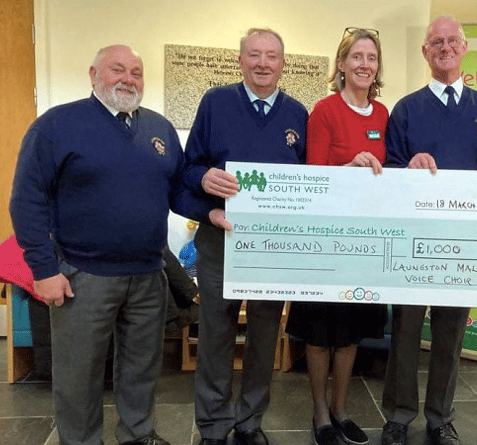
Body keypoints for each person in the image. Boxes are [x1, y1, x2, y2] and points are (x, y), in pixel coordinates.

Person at [10, 44, 183, 445]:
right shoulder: (56, 125)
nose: (128, 79)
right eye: (117, 69)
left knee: (142, 368)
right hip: (82, 275)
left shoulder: (159, 129)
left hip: (147, 274)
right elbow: (27, 200)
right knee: (78, 373)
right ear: (93, 75)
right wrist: (43, 270)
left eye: (136, 72)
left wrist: (212, 202)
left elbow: (179, 192)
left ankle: (138, 435)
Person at [176, 28, 308, 445]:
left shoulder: (298, 114)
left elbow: (311, 181)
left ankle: (251, 422)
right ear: (240, 60)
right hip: (220, 240)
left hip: (273, 247)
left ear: (282, 63)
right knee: (216, 333)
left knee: (266, 333)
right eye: (254, 54)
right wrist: (206, 186)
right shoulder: (215, 103)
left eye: (271, 56)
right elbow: (186, 173)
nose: (263, 63)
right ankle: (213, 425)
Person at [381, 16, 477, 445]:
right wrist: (406, 165)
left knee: (451, 336)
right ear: (425, 52)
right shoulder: (407, 108)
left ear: (464, 47)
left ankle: (440, 418)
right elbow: (389, 171)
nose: (444, 47)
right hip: (413, 242)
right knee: (406, 333)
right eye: (436, 42)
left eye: (452, 41)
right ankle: (398, 415)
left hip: (464, 245)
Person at [284, 27, 388, 445]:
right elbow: (312, 176)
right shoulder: (324, 111)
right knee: (320, 333)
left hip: (365, 242)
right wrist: (348, 169)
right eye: (356, 56)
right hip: (325, 241)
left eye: (371, 58)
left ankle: (343, 409)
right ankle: (320, 412)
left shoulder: (383, 114)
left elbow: (393, 172)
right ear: (341, 64)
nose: (364, 64)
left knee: (350, 333)